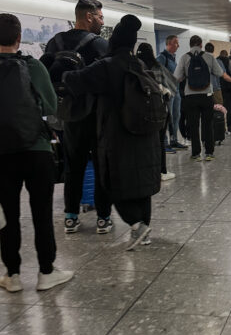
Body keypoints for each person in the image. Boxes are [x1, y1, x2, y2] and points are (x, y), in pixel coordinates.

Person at [0, 13, 73, 292]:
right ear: (19, 37)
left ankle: (12, 275)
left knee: (8, 215)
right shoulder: (32, 66)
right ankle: (46, 272)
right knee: (41, 213)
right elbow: (50, 106)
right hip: (36, 150)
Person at [63, 14, 160, 250]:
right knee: (140, 188)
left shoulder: (106, 66)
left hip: (117, 137)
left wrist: (63, 68)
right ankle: (143, 231)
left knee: (111, 185)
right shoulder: (140, 65)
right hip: (144, 134)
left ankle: (137, 226)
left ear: (113, 41)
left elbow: (74, 81)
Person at [42, 0, 113, 235]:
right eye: (100, 17)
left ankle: (71, 217)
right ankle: (103, 218)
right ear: (89, 16)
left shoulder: (55, 42)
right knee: (102, 166)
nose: (102, 22)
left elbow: (45, 78)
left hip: (68, 116)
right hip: (96, 115)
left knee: (73, 166)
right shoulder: (99, 45)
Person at [175, 35, 231, 161]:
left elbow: (177, 77)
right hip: (207, 95)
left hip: (190, 96)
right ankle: (209, 153)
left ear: (190, 44)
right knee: (208, 124)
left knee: (193, 125)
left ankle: (196, 154)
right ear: (201, 45)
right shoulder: (209, 57)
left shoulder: (184, 57)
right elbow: (221, 74)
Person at [136, 42, 177, 182]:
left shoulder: (135, 66)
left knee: (142, 143)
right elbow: (172, 86)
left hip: (139, 111)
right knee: (159, 142)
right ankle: (161, 171)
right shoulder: (157, 67)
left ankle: (144, 172)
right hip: (158, 111)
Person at [157, 35, 187, 151]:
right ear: (169, 43)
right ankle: (164, 143)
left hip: (176, 91)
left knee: (176, 116)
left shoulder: (173, 58)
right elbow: (157, 73)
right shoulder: (162, 57)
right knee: (166, 117)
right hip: (167, 92)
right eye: (176, 43)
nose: (178, 45)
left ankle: (174, 140)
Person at [217, 49, 231, 130]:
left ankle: (220, 125)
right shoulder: (229, 61)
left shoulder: (216, 61)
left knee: (219, 106)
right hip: (228, 87)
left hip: (218, 87)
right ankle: (229, 125)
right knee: (228, 106)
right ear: (226, 55)